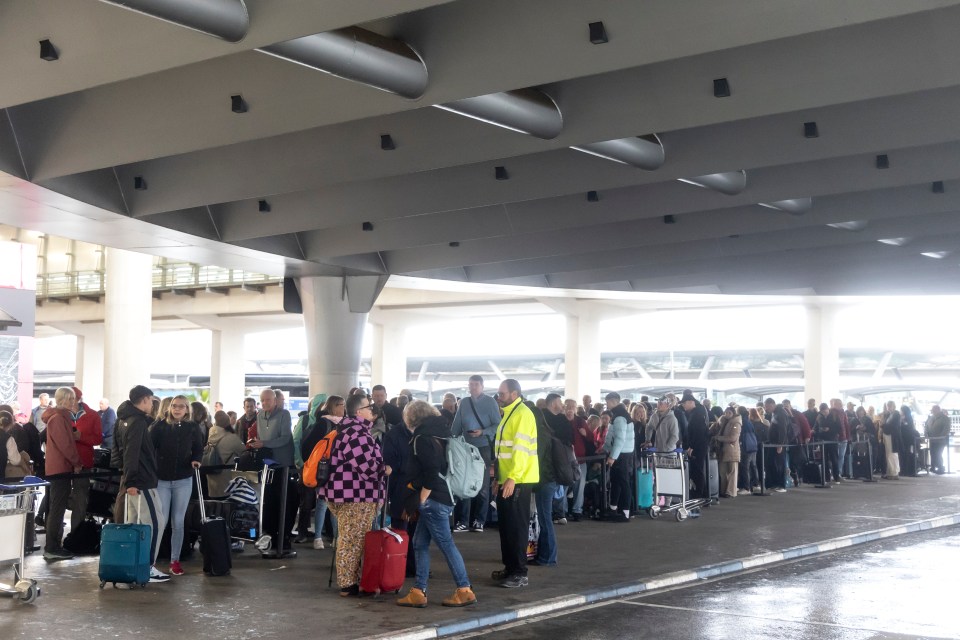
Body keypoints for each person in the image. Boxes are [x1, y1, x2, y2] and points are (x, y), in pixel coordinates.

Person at [396, 401, 477, 608]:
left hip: (434, 500)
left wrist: (421, 499)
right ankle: (418, 591)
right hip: (445, 496)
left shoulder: (422, 438)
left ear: (412, 418)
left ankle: (464, 589)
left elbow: (432, 472)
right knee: (420, 543)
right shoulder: (442, 433)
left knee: (446, 544)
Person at [318, 393, 384, 597]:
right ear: (359, 412)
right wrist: (385, 469)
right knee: (352, 539)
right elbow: (368, 467)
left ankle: (352, 580)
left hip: (346, 493)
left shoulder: (348, 430)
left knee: (351, 537)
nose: (372, 408)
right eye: (368, 406)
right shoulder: (357, 433)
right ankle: (347, 584)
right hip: (355, 495)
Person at [115, 385, 169, 582]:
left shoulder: (123, 419)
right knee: (155, 523)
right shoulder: (137, 422)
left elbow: (121, 450)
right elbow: (132, 453)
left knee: (135, 524)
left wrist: (127, 479)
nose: (152, 405)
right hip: (141, 481)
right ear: (145, 399)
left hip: (133, 480)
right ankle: (147, 567)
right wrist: (132, 481)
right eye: (151, 400)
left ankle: (135, 564)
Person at [491, 379, 539, 589]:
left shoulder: (522, 414)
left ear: (514, 394)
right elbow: (504, 451)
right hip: (509, 478)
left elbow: (520, 450)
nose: (498, 397)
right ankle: (510, 568)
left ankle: (520, 572)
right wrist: (499, 478)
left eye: (502, 393)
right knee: (507, 527)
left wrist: (511, 478)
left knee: (516, 527)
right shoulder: (510, 413)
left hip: (518, 480)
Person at [150, 395, 203, 577]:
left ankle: (175, 560)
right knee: (161, 521)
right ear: (169, 408)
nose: (177, 409)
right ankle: (152, 561)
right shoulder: (160, 426)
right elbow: (149, 448)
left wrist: (196, 459)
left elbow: (198, 447)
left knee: (178, 521)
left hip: (183, 479)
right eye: (174, 406)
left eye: (181, 406)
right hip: (162, 480)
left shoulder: (193, 427)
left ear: (187, 409)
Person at [449, 375, 501, 533]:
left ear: (482, 386)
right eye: (471, 384)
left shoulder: (490, 402)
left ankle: (480, 520)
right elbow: (456, 424)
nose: (473, 387)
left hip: (483, 446)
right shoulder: (464, 402)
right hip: (465, 447)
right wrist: (451, 440)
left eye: (476, 384)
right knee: (464, 481)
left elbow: (498, 424)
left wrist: (483, 432)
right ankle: (463, 521)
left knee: (482, 483)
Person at [251, 388, 296, 551]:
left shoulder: (284, 415)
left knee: (283, 500)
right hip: (268, 464)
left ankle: (284, 536)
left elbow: (285, 438)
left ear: (275, 401)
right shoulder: (259, 416)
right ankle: (270, 535)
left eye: (268, 400)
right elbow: (264, 438)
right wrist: (259, 444)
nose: (264, 403)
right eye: (262, 400)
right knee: (268, 500)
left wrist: (264, 443)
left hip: (283, 464)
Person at [41, 388, 83, 561]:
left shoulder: (59, 417)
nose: (74, 401)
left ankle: (54, 546)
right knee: (57, 509)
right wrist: (76, 462)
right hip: (60, 469)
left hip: (59, 468)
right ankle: (51, 547)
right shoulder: (58, 418)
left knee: (56, 508)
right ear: (64, 399)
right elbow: (64, 444)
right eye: (71, 398)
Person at [292, 394, 327, 545]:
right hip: (307, 465)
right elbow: (296, 441)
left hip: (322, 466)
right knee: (306, 499)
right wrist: (299, 462)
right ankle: (302, 532)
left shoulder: (326, 422)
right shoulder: (305, 420)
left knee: (320, 501)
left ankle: (313, 530)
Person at [70, 386, 103, 533]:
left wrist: (80, 437)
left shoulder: (93, 415)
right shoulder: (59, 414)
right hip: (62, 463)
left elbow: (98, 438)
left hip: (84, 462)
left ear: (77, 399)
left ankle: (76, 535)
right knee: (57, 499)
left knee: (80, 499)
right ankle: (54, 541)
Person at [541, 393, 573, 524]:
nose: (563, 405)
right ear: (553, 403)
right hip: (553, 459)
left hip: (553, 458)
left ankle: (557, 513)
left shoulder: (541, 417)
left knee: (558, 486)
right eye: (560, 402)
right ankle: (556, 514)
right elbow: (569, 438)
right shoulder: (560, 420)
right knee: (555, 486)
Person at [603, 392, 635, 522]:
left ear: (614, 401)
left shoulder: (620, 417)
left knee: (622, 482)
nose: (607, 405)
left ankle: (624, 512)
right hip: (623, 453)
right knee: (617, 481)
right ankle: (614, 508)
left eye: (608, 402)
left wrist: (612, 456)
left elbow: (619, 439)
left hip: (621, 454)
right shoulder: (621, 415)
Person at [205, 410, 247, 497]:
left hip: (212, 478)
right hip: (227, 480)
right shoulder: (231, 438)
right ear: (227, 422)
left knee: (215, 506)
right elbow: (244, 451)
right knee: (226, 507)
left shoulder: (211, 435)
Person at [566, 398, 593, 522]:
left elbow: (591, 438)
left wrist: (585, 434)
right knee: (564, 486)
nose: (570, 409)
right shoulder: (560, 421)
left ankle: (577, 510)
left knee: (579, 486)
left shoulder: (581, 421)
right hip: (565, 460)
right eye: (568, 406)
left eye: (572, 406)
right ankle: (562, 511)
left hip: (580, 459)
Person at [681, 393, 710, 499]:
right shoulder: (696, 412)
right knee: (697, 470)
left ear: (690, 402)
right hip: (698, 446)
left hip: (698, 447)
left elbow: (699, 431)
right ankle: (702, 492)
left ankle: (700, 494)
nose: (683, 405)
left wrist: (691, 446)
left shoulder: (697, 414)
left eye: (684, 403)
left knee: (698, 470)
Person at [713, 406, 742, 498]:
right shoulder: (724, 422)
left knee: (732, 472)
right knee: (723, 472)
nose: (727, 414)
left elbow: (733, 438)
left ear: (733, 413)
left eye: (729, 413)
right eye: (726, 413)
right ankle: (723, 490)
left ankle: (730, 492)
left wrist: (718, 438)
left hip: (732, 450)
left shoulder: (736, 423)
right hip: (723, 450)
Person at [814, 403, 842, 483]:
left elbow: (839, 428)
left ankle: (836, 477)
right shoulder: (819, 417)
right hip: (822, 441)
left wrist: (829, 429)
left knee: (834, 459)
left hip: (832, 440)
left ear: (828, 409)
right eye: (822, 411)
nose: (824, 413)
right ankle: (826, 477)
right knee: (824, 459)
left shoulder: (834, 416)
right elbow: (816, 427)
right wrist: (816, 431)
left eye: (825, 411)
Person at [737, 406, 760, 494]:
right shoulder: (749, 421)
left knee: (744, 467)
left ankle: (746, 488)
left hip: (746, 446)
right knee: (753, 466)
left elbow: (741, 434)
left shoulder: (742, 421)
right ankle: (756, 485)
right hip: (753, 446)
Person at [925, 405, 951, 474]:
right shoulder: (931, 418)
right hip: (931, 440)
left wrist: (940, 436)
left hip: (940, 440)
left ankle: (941, 468)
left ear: (938, 410)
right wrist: (926, 434)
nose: (933, 411)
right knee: (932, 453)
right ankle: (933, 467)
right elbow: (926, 426)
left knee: (938, 454)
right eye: (932, 410)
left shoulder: (945, 418)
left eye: (934, 410)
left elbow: (946, 429)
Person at [880, 401, 902, 479]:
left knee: (892, 455)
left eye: (890, 406)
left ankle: (894, 473)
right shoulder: (890, 415)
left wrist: (883, 425)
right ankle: (891, 472)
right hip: (888, 436)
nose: (888, 407)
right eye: (888, 406)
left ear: (894, 406)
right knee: (889, 455)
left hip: (892, 437)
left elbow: (891, 426)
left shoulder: (896, 414)